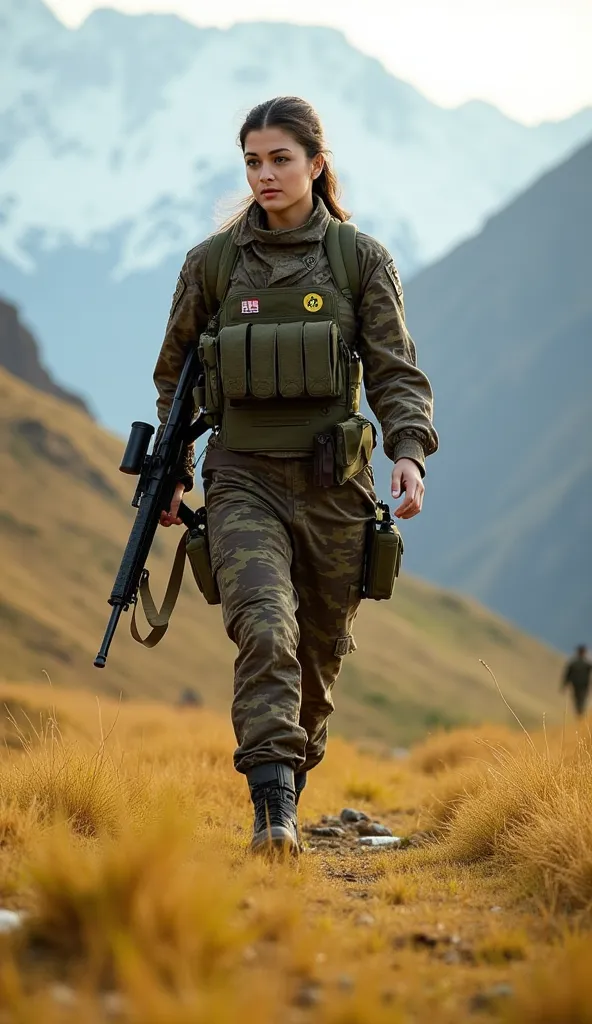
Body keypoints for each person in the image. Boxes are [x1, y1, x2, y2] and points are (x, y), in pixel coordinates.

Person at [154, 96, 438, 856]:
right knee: (266, 628)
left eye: (280, 158)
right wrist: (171, 474)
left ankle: (291, 773)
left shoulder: (358, 259)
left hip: (335, 487)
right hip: (243, 477)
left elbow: (395, 372)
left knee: (318, 654)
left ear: (316, 163)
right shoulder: (213, 266)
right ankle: (272, 808)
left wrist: (407, 450)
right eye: (253, 161)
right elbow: (175, 377)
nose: (265, 174)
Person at [561, 645, 591, 718]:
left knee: (579, 700)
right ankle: (580, 715)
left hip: (581, 685)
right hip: (580, 685)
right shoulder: (584, 664)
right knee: (580, 700)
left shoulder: (579, 664)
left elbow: (567, 674)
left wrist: (564, 684)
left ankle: (580, 715)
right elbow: (568, 674)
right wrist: (564, 684)